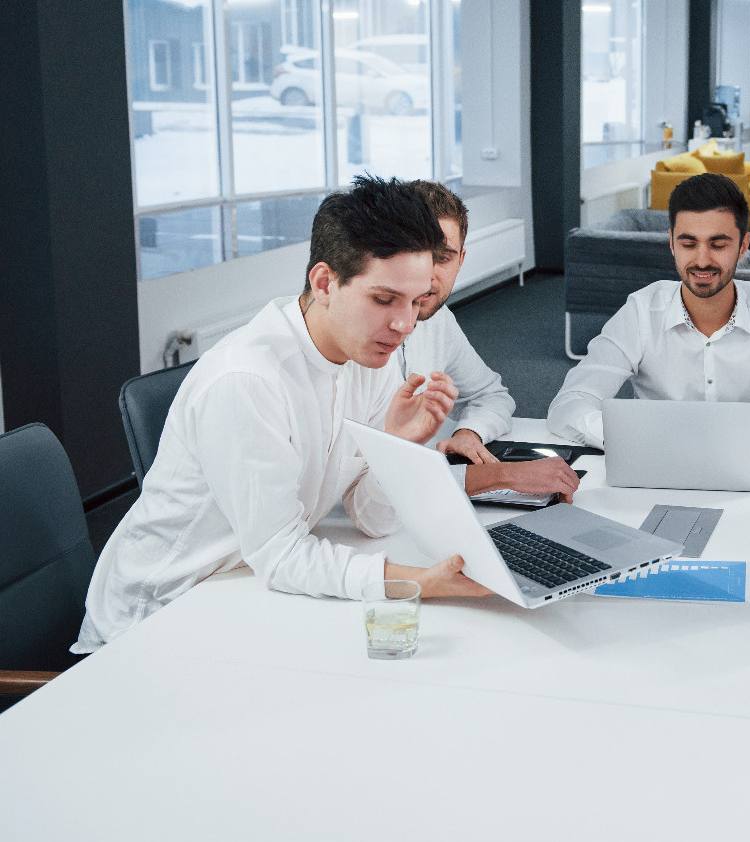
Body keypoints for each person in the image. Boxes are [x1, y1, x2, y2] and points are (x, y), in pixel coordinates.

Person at [74, 176, 490, 653]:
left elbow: (374, 520)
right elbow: (282, 555)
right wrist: (417, 582)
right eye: (383, 299)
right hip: (156, 618)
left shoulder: (369, 359)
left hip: (244, 588)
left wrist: (396, 446)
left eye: (415, 302)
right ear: (324, 282)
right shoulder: (246, 380)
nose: (405, 324)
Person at [546, 173, 750, 457]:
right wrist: (633, 438)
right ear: (671, 243)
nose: (702, 260)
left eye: (718, 244)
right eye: (688, 243)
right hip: (654, 464)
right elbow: (569, 405)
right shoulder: (641, 311)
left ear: (743, 245)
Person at [405, 180, 578, 500]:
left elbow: (491, 395)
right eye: (416, 254)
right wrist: (497, 475)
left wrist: (468, 432)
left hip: (424, 500)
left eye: (443, 258)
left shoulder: (437, 320)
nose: (428, 275)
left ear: (461, 259)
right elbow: (371, 481)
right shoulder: (359, 338)